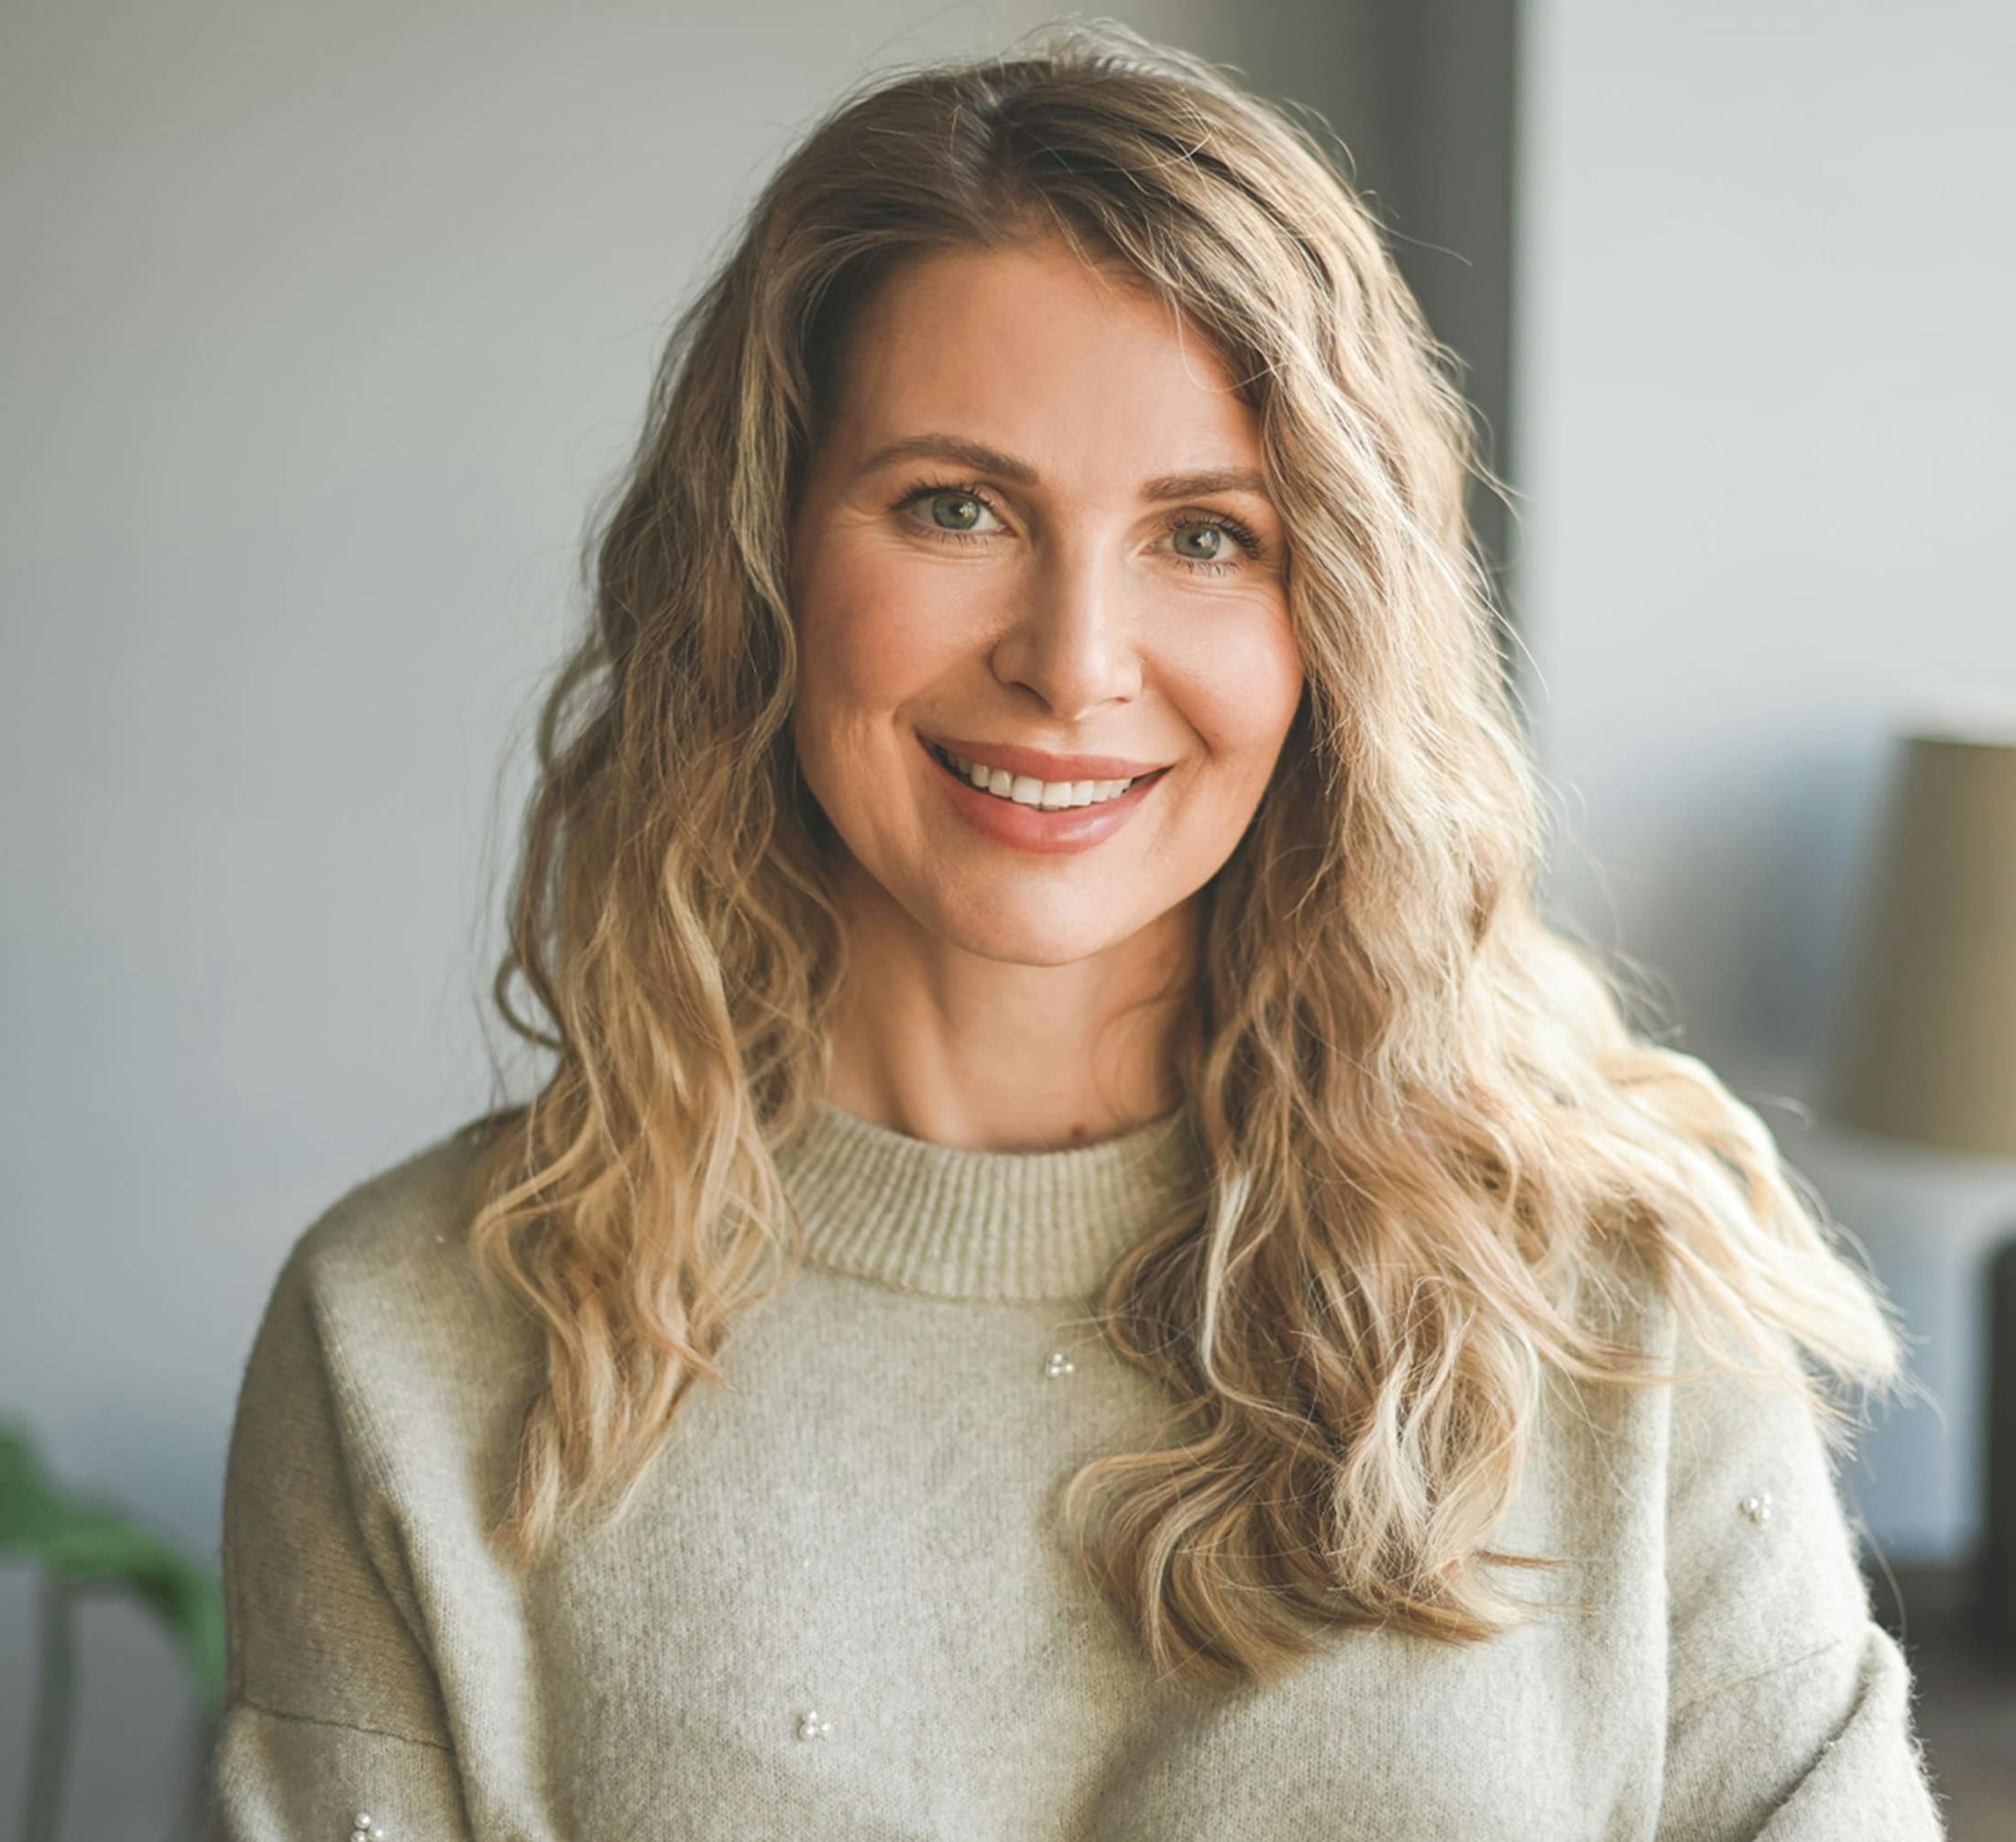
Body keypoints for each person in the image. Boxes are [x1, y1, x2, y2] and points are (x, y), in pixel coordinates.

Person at [205, 19, 1948, 1839]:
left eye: (1203, 536)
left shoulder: (1616, 1294)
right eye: (952, 507)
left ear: (1330, 619)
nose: (1072, 662)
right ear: (764, 561)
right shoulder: (411, 1341)